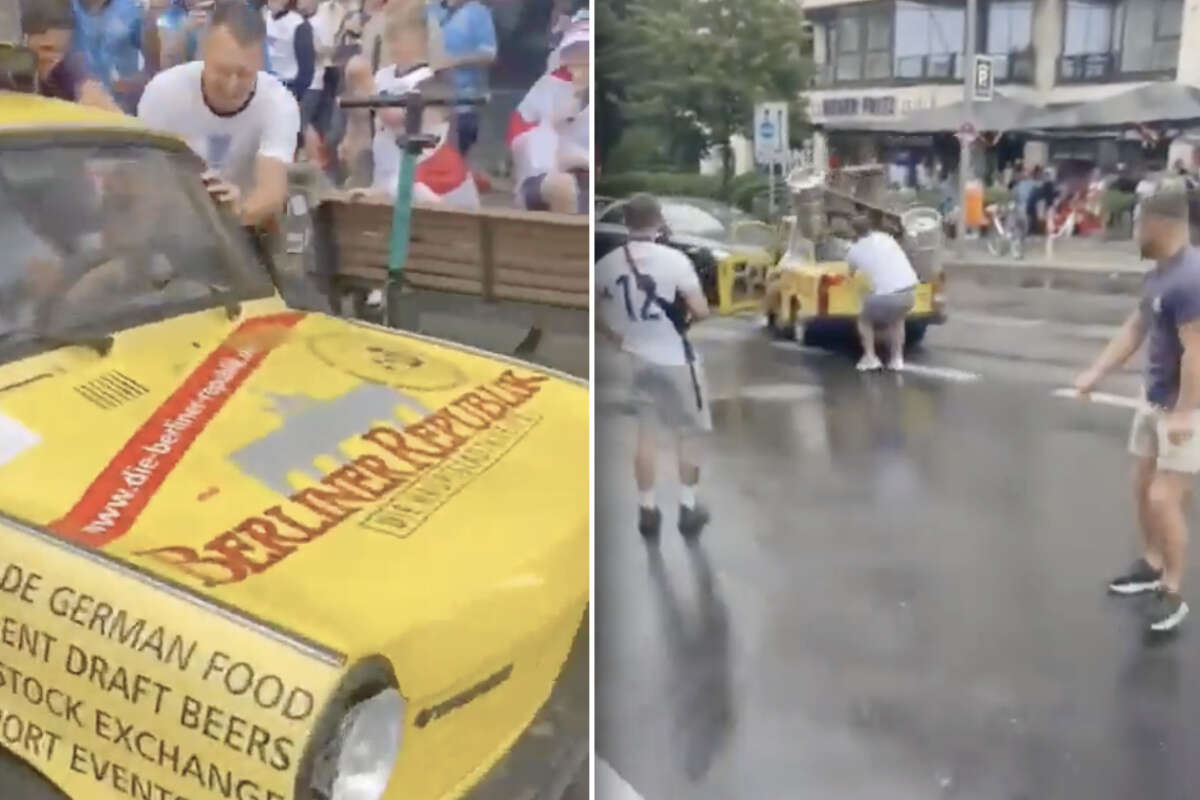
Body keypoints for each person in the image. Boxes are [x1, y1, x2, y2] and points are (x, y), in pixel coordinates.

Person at [1074, 179, 1200, 634]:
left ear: (1161, 224)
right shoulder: (1160, 273)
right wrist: (1096, 372)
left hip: (1185, 407)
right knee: (1141, 484)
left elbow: (1197, 351)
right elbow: (1135, 329)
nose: (1134, 233)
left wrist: (1186, 411)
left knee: (1164, 498)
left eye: (1139, 224)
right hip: (1155, 399)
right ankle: (1151, 564)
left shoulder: (1190, 277)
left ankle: (1172, 590)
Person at [595, 193, 712, 541]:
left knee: (646, 435)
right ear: (659, 221)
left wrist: (613, 336)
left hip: (638, 357)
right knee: (688, 433)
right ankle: (688, 507)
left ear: (627, 223)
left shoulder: (609, 263)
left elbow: (594, 305)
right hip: (677, 360)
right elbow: (701, 310)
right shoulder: (674, 261)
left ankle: (647, 509)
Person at [137, 0, 301, 228]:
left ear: (260, 63)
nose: (231, 85)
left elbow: (272, 191)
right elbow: (145, 175)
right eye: (222, 71)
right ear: (203, 53)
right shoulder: (163, 92)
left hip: (244, 224)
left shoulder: (278, 103)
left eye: (244, 74)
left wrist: (238, 212)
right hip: (172, 218)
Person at [507, 16, 588, 214]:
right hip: (546, 172)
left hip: (584, 177)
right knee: (560, 186)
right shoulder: (551, 85)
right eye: (575, 52)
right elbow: (525, 131)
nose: (580, 60)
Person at [845, 213, 919, 372]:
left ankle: (870, 357)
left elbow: (850, 274)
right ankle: (897, 359)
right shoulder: (886, 238)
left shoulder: (854, 250)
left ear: (853, 232)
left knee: (864, 319)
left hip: (884, 297)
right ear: (871, 228)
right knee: (897, 320)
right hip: (908, 292)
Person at [20, 0, 119, 110]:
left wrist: (87, 89)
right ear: (24, 40)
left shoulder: (67, 73)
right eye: (47, 49)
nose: (56, 60)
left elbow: (90, 92)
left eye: (62, 51)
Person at [431, 0, 495, 157]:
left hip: (464, 103)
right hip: (429, 102)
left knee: (456, 158)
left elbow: (489, 54)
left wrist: (453, 61)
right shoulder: (430, 9)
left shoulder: (479, 13)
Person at [70, 0, 150, 112]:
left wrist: (135, 84)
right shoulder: (63, 9)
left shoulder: (133, 10)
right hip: (74, 109)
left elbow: (153, 68)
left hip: (125, 111)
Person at [262, 0, 314, 101]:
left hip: (288, 86)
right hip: (264, 85)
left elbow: (307, 68)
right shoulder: (263, 18)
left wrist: (296, 94)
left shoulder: (298, 24)